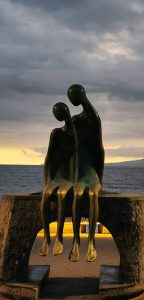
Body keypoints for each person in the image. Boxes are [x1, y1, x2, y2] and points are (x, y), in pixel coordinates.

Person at [67, 84, 105, 262]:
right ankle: (76, 241)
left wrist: (100, 177)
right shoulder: (74, 120)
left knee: (93, 193)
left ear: (81, 96)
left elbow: (99, 149)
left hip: (89, 169)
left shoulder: (93, 119)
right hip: (77, 169)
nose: (72, 100)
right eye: (70, 97)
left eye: (74, 96)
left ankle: (91, 241)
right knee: (76, 194)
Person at [39, 102, 78, 257]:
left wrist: (74, 181)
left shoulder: (74, 135)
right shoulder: (55, 133)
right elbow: (48, 157)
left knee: (62, 195)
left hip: (68, 176)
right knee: (46, 195)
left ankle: (59, 237)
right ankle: (46, 237)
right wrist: (47, 180)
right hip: (57, 175)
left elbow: (75, 157)